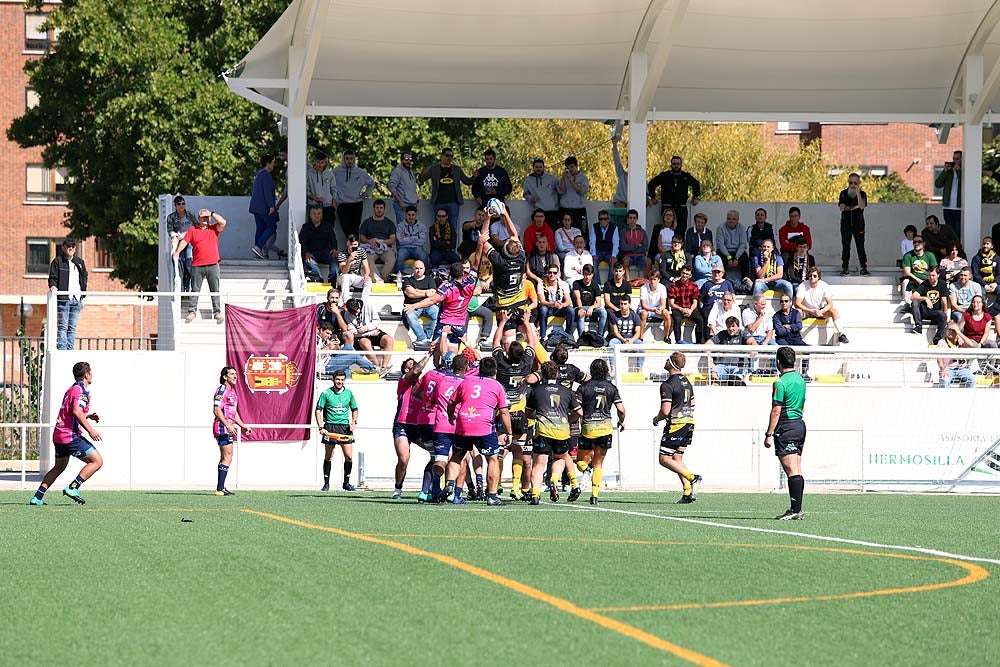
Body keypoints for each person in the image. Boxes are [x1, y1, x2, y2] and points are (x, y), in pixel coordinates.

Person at [30, 361, 103, 506]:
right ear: (87, 374)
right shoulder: (81, 390)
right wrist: (91, 430)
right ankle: (73, 487)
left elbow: (70, 412)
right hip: (69, 436)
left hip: (59, 435)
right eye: (91, 372)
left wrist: (87, 416)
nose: (92, 375)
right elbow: (76, 411)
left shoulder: (72, 389)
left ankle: (37, 497)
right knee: (97, 461)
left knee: (59, 467)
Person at [448, 356, 512, 506]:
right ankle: (492, 496)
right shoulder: (497, 386)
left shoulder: (466, 381)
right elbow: (504, 412)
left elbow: (451, 402)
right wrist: (508, 432)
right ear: (495, 371)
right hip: (484, 426)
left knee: (457, 457)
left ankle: (450, 486)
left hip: (463, 422)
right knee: (492, 459)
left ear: (479, 369)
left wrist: (451, 415)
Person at [492, 310, 538, 500]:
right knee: (519, 449)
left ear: (508, 352)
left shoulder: (501, 364)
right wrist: (526, 322)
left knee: (501, 448)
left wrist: (502, 322)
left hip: (504, 412)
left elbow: (495, 344)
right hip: (520, 413)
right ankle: (516, 486)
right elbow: (533, 342)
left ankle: (499, 484)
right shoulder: (527, 363)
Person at [524, 361, 582, 504]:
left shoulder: (535, 390)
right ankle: (554, 480)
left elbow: (528, 413)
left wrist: (538, 417)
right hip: (562, 431)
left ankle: (535, 495)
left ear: (542, 375)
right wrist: (568, 420)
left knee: (539, 463)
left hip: (542, 431)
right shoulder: (567, 391)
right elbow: (579, 412)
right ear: (556, 374)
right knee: (560, 458)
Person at [764, 346, 808, 520]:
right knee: (796, 468)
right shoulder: (800, 379)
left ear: (778, 362)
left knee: (791, 470)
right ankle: (796, 508)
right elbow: (803, 404)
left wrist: (769, 433)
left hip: (787, 426)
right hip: (799, 425)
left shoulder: (780, 382)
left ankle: (795, 509)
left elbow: (776, 410)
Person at [653, 351, 702, 504]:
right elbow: (692, 404)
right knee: (677, 457)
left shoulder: (667, 384)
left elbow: (666, 410)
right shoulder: (687, 381)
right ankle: (688, 492)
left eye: (668, 359)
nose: (665, 361)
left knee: (664, 459)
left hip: (676, 424)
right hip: (689, 423)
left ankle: (693, 478)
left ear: (672, 363)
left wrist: (656, 418)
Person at [404, 261, 477, 363]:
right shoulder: (470, 284)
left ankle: (439, 372)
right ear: (463, 273)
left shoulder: (447, 287)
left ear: (450, 274)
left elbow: (432, 300)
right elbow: (476, 264)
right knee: (452, 357)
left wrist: (415, 305)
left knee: (436, 358)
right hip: (459, 324)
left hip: (444, 323)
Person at [574, 358, 624, 505]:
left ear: (591, 370)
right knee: (598, 463)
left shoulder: (583, 387)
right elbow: (621, 409)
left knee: (580, 462)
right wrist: (621, 421)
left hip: (588, 428)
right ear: (606, 371)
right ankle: (594, 496)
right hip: (605, 429)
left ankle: (586, 471)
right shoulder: (611, 388)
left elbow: (577, 408)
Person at [172, 209, 227, 324]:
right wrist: (177, 252)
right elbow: (184, 242)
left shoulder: (213, 229)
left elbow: (223, 222)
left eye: (207, 217)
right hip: (197, 265)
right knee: (195, 289)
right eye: (203, 217)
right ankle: (192, 311)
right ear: (199, 218)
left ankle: (217, 312)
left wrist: (211, 213)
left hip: (213, 265)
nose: (205, 219)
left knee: (215, 289)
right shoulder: (193, 230)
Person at [390, 355, 432, 499]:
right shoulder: (403, 382)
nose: (412, 368)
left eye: (413, 365)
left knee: (437, 454)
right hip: (402, 425)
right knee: (404, 459)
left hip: (419, 426)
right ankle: (398, 488)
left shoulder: (423, 386)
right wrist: (429, 354)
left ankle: (429, 488)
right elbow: (414, 372)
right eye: (409, 366)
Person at [211, 366, 251, 496]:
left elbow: (234, 413)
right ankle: (219, 489)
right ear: (224, 377)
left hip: (228, 427)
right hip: (222, 427)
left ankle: (220, 487)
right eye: (232, 374)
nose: (235, 376)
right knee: (227, 456)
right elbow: (216, 410)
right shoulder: (222, 390)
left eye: (235, 374)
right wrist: (227, 425)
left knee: (227, 457)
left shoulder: (232, 392)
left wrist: (243, 425)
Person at [316, 370, 358, 491]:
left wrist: (354, 422)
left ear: (345, 380)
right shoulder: (326, 393)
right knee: (329, 456)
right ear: (333, 379)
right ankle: (326, 483)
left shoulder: (349, 393)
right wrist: (321, 427)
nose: (339, 382)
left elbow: (355, 409)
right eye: (337, 379)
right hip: (330, 427)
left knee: (349, 456)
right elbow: (318, 410)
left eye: (342, 379)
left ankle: (346, 483)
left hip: (344, 428)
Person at [418, 147, 474, 235]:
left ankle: (452, 248)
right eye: (447, 155)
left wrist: (474, 176)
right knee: (438, 227)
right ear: (441, 156)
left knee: (453, 227)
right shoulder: (434, 169)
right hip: (439, 202)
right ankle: (438, 246)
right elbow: (421, 180)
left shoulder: (457, 169)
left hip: (453, 202)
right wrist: (421, 174)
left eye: (451, 156)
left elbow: (467, 181)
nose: (449, 158)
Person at [48, 238, 88, 350]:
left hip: (77, 299)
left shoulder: (80, 263)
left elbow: (84, 278)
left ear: (75, 249)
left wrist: (83, 294)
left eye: (73, 247)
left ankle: (70, 350)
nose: (71, 249)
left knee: (72, 327)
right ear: (63, 248)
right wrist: (53, 286)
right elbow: (53, 277)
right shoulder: (57, 261)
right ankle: (62, 349)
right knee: (63, 326)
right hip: (64, 299)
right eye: (68, 246)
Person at [646, 155, 700, 236]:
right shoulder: (665, 176)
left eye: (678, 164)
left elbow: (696, 184)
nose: (676, 166)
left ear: (681, 165)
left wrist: (695, 197)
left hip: (681, 208)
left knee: (681, 231)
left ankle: (679, 248)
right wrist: (653, 197)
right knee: (666, 231)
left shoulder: (685, 176)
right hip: (667, 207)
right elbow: (651, 184)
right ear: (671, 164)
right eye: (674, 163)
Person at [795, 269, 849, 344]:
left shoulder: (824, 285)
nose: (812, 277)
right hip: (807, 310)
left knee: (834, 311)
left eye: (814, 276)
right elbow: (797, 303)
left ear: (818, 277)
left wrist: (821, 311)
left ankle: (841, 334)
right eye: (810, 276)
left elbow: (830, 304)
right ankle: (795, 335)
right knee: (798, 311)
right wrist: (811, 311)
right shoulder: (803, 285)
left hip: (820, 311)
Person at [249, 154, 286, 260]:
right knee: (272, 227)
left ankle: (257, 251)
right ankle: (258, 246)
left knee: (260, 228)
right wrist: (271, 206)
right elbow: (267, 192)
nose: (274, 164)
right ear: (267, 163)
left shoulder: (259, 174)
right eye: (273, 162)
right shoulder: (266, 175)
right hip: (263, 207)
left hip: (256, 207)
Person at [332, 149, 375, 239]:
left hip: (357, 204)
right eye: (347, 159)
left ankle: (354, 251)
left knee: (355, 231)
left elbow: (371, 183)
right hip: (342, 204)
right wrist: (333, 198)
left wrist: (365, 194)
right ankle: (352, 250)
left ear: (354, 159)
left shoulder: (360, 172)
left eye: (351, 159)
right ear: (343, 159)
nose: (349, 161)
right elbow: (330, 185)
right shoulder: (336, 172)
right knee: (347, 230)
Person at [343, 298, 394, 373]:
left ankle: (384, 367)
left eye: (356, 311)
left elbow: (376, 321)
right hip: (362, 336)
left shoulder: (368, 305)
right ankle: (377, 367)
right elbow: (353, 332)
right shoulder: (347, 314)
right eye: (353, 313)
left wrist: (365, 328)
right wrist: (369, 333)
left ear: (360, 306)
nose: (356, 314)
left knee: (389, 340)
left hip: (372, 331)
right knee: (365, 343)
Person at [706, 316, 757, 385]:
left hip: (738, 367)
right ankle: (716, 394)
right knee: (714, 376)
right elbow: (707, 345)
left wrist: (753, 350)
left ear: (738, 326)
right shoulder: (722, 334)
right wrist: (710, 360)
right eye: (729, 326)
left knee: (737, 379)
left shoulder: (743, 333)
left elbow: (752, 342)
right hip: (721, 366)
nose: (731, 329)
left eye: (733, 326)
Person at [400, 260, 439, 350]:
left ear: (424, 269)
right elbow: (410, 294)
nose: (419, 270)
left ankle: (427, 337)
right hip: (412, 306)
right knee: (409, 315)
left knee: (437, 313)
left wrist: (416, 290)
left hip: (427, 305)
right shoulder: (407, 280)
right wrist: (425, 293)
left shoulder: (430, 279)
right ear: (413, 269)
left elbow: (433, 294)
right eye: (416, 268)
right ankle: (422, 338)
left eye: (421, 268)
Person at [837, 173, 869, 276]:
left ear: (859, 183)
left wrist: (858, 193)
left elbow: (862, 205)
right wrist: (854, 208)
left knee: (860, 246)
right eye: (851, 182)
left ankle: (863, 267)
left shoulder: (862, 194)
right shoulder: (843, 193)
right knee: (846, 246)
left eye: (855, 183)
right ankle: (845, 267)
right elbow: (842, 207)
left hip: (858, 224)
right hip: (845, 224)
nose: (852, 185)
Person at [358, 199, 397, 282]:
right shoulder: (367, 222)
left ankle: (383, 279)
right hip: (370, 247)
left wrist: (381, 241)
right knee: (366, 259)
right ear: (374, 208)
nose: (379, 210)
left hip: (385, 247)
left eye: (381, 208)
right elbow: (361, 238)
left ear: (384, 209)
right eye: (377, 207)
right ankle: (378, 280)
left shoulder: (389, 223)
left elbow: (393, 240)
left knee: (392, 259)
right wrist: (370, 241)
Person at [299, 203, 339, 283]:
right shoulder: (306, 227)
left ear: (322, 215)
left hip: (325, 252)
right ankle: (319, 279)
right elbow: (302, 241)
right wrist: (306, 252)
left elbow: (333, 239)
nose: (316, 215)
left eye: (319, 213)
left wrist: (334, 249)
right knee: (310, 262)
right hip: (312, 253)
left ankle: (333, 280)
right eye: (314, 213)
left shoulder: (327, 226)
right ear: (310, 215)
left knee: (334, 260)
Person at [668, 265, 706, 343]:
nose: (685, 275)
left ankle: (698, 343)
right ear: (681, 273)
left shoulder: (694, 285)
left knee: (700, 320)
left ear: (690, 275)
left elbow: (695, 301)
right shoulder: (673, 285)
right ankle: (678, 341)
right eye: (683, 273)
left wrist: (690, 310)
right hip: (678, 308)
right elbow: (671, 303)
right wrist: (682, 309)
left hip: (690, 308)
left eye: (687, 274)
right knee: (677, 319)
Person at [166, 195, 196, 295]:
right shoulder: (171, 217)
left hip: (190, 243)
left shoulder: (190, 215)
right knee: (180, 264)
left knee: (189, 265)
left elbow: (197, 227)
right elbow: (170, 230)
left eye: (183, 203)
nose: (181, 206)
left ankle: (189, 287)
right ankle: (182, 288)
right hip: (179, 242)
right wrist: (174, 236)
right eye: (179, 204)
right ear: (175, 205)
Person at [716, 209, 752, 290]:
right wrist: (729, 257)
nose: (731, 221)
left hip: (737, 251)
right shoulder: (721, 228)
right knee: (720, 260)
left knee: (745, 259)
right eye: (729, 218)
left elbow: (743, 244)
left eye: (733, 219)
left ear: (737, 220)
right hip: (724, 251)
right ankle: (722, 284)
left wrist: (736, 258)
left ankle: (746, 284)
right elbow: (720, 245)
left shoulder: (742, 228)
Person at [911, 265, 949, 341]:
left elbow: (944, 302)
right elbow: (913, 297)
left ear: (938, 275)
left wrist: (945, 316)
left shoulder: (942, 284)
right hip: (924, 311)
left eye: (933, 275)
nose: (931, 278)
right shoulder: (925, 283)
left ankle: (937, 338)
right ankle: (918, 326)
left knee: (943, 315)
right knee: (915, 302)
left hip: (936, 312)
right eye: (929, 275)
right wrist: (925, 298)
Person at [537, 263, 575, 339]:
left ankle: (568, 335)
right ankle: (543, 336)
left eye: (554, 273)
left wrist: (561, 305)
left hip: (560, 308)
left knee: (571, 310)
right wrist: (554, 304)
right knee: (543, 309)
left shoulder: (564, 284)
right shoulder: (541, 284)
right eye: (550, 272)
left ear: (558, 274)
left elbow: (568, 301)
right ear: (547, 273)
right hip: (548, 308)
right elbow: (542, 301)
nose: (552, 275)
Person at [523, 157, 561, 228]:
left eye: (540, 167)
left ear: (544, 167)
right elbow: (525, 194)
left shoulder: (552, 178)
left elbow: (560, 191)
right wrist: (531, 198)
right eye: (536, 167)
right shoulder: (528, 180)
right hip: (538, 213)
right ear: (533, 168)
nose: (538, 169)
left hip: (553, 212)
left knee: (553, 235)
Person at [336, 235, 373, 306]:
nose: (353, 246)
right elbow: (343, 272)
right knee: (346, 277)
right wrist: (349, 261)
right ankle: (346, 301)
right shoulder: (342, 254)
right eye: (351, 244)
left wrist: (366, 274)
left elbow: (367, 267)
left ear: (358, 244)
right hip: (343, 277)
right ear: (347, 243)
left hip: (356, 276)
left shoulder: (361, 251)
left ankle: (363, 303)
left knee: (368, 280)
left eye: (355, 244)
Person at [934, 149, 963, 238]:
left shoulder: (965, 171)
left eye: (957, 159)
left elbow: (965, 183)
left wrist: (958, 171)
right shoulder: (948, 172)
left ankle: (958, 249)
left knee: (958, 232)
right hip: (947, 206)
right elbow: (937, 184)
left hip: (959, 207)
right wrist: (944, 171)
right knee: (949, 232)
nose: (955, 161)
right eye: (953, 159)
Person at [937, 323, 976, 388]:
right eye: (949, 330)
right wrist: (942, 369)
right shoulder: (942, 342)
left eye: (953, 330)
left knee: (972, 379)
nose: (951, 332)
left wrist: (959, 333)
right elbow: (939, 359)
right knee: (944, 381)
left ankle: (968, 397)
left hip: (962, 369)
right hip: (947, 369)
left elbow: (971, 344)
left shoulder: (961, 342)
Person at [573, 263, 607, 339]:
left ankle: (599, 336)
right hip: (579, 307)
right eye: (585, 274)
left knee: (603, 312)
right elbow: (577, 298)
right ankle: (582, 338)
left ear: (592, 275)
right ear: (582, 274)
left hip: (590, 308)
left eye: (589, 274)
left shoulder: (595, 285)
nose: (587, 277)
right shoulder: (576, 283)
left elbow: (599, 303)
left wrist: (591, 307)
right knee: (581, 314)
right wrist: (580, 308)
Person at [394, 205, 430, 277]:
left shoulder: (421, 226)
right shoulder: (400, 226)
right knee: (399, 258)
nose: (411, 217)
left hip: (417, 248)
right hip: (403, 248)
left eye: (413, 215)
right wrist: (416, 237)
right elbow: (400, 241)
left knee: (424, 257)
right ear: (406, 215)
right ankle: (398, 278)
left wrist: (406, 238)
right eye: (409, 215)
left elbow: (422, 241)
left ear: (416, 215)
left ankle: (427, 277)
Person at [557, 156, 590, 233]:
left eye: (572, 167)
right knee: (565, 233)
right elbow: (561, 191)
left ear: (576, 166)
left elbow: (582, 191)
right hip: (565, 209)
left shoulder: (583, 178)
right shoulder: (563, 178)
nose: (570, 169)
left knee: (581, 232)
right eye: (568, 167)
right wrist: (562, 179)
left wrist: (572, 181)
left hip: (578, 210)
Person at [306, 151, 338, 227]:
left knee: (329, 229)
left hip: (328, 206)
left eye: (322, 162)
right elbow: (306, 191)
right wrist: (316, 199)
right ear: (314, 162)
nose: (320, 164)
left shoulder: (330, 174)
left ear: (325, 163)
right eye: (318, 162)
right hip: (313, 206)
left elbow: (334, 189)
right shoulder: (309, 174)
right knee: (314, 229)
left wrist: (333, 203)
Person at [901, 235, 938, 299]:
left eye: (919, 242)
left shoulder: (930, 255)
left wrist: (928, 280)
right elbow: (906, 273)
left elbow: (934, 270)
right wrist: (918, 280)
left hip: (928, 280)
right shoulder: (908, 256)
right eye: (914, 242)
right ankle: (908, 304)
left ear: (924, 243)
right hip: (913, 281)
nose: (916, 244)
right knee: (905, 282)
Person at [389, 149, 418, 226]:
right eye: (406, 159)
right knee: (403, 230)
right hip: (402, 206)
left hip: (412, 205)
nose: (408, 161)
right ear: (401, 160)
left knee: (411, 230)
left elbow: (412, 188)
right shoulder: (397, 171)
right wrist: (400, 201)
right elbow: (391, 186)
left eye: (410, 159)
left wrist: (417, 201)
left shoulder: (410, 171)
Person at [589, 210, 620, 283]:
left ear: (608, 219)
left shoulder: (614, 227)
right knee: (593, 262)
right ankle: (597, 284)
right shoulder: (594, 226)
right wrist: (593, 254)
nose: (603, 221)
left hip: (609, 251)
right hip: (598, 251)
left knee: (613, 263)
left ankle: (610, 284)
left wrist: (614, 255)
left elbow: (616, 242)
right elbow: (592, 241)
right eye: (601, 219)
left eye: (605, 219)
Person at [619, 209, 648, 281]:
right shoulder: (623, 231)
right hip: (628, 256)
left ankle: (644, 282)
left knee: (649, 261)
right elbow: (623, 247)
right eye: (630, 218)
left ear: (637, 219)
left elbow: (645, 247)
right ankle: (628, 283)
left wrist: (632, 249)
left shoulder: (642, 231)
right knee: (625, 261)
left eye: (634, 218)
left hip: (640, 256)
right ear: (627, 219)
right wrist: (637, 246)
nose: (632, 220)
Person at [603, 263, 632, 328]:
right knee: (611, 314)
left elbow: (629, 301)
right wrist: (616, 309)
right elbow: (607, 302)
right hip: (611, 308)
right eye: (616, 271)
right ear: (613, 271)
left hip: (623, 307)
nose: (618, 273)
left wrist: (622, 309)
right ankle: (612, 335)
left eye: (620, 271)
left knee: (632, 313)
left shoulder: (627, 285)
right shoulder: (607, 284)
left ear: (623, 272)